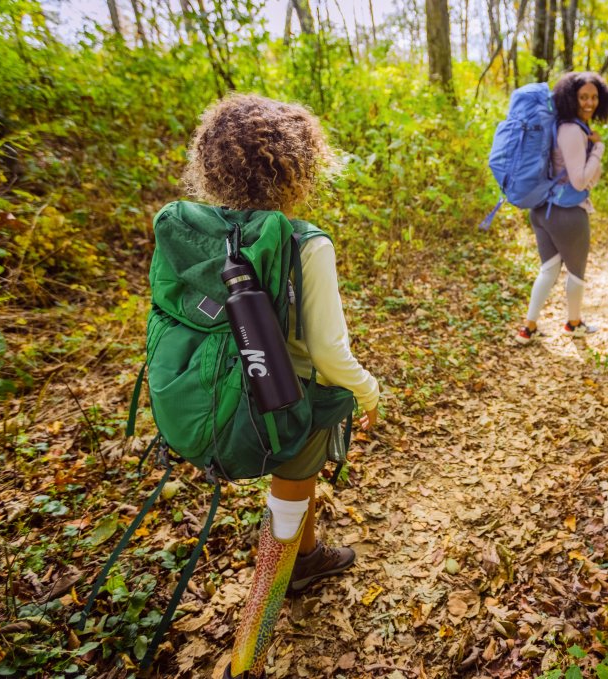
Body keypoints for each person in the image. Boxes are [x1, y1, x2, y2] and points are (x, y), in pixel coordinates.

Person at [180, 94, 380, 678]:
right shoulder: (305, 241)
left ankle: (309, 558)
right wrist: (370, 391)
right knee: (292, 482)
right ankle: (252, 644)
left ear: (212, 166)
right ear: (299, 167)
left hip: (223, 393)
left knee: (297, 477)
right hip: (292, 402)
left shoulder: (201, 233)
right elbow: (328, 352)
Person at [514, 71, 608, 345]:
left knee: (548, 270)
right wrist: (599, 149)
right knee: (576, 273)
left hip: (544, 209)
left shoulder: (564, 127)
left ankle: (528, 328)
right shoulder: (572, 131)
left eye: (594, 97)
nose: (589, 102)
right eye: (583, 97)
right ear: (571, 98)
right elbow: (581, 180)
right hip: (567, 213)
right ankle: (574, 323)